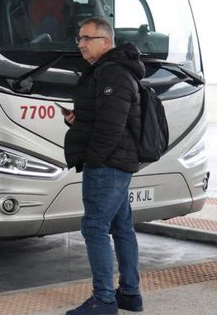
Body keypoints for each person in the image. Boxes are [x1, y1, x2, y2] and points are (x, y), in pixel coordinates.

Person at [63, 17, 144, 315]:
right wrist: (78, 120)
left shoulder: (112, 73)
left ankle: (104, 300)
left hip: (108, 163)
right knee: (122, 226)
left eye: (87, 38)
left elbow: (111, 127)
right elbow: (104, 118)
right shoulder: (109, 71)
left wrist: (94, 160)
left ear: (106, 42)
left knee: (94, 226)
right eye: (79, 38)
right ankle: (130, 295)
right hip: (116, 160)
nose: (81, 44)